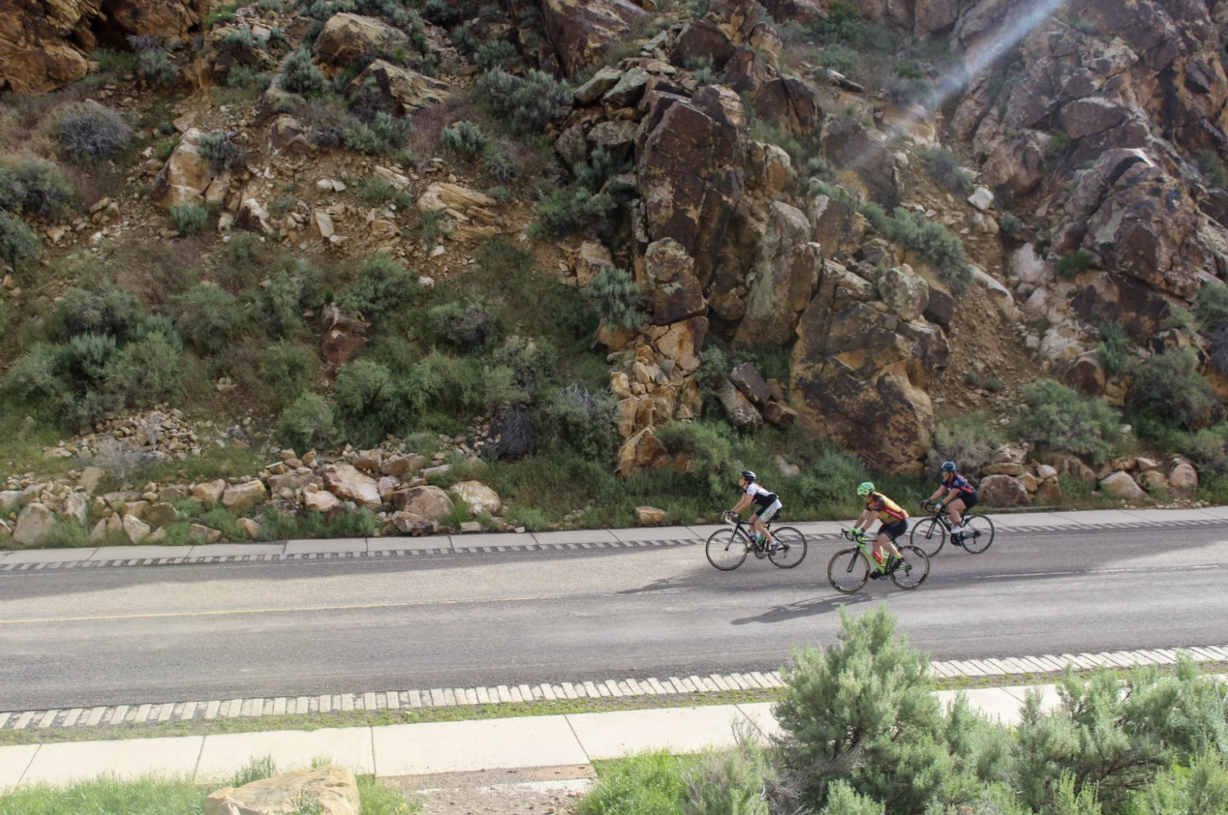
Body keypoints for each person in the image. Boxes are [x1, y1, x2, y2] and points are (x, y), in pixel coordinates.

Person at [851, 481, 908, 576]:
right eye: (863, 496)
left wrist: (862, 530)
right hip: (889, 523)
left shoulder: (879, 500)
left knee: (882, 539)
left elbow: (872, 518)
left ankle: (899, 558)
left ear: (871, 493)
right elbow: (862, 517)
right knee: (875, 541)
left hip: (900, 522)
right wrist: (853, 529)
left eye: (866, 495)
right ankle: (882, 568)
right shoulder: (870, 502)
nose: (865, 498)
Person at [728, 470, 781, 551]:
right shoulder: (747, 489)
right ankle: (757, 542)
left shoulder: (751, 488)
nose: (739, 479)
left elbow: (747, 503)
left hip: (773, 506)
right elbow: (741, 502)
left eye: (741, 478)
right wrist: (731, 511)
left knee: (758, 525)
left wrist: (734, 513)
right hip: (768, 506)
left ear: (747, 481)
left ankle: (774, 543)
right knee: (751, 521)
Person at [924, 461, 978, 539]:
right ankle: (959, 536)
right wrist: (928, 500)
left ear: (951, 473)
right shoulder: (947, 479)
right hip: (963, 497)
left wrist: (940, 504)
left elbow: (950, 496)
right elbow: (939, 491)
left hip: (971, 497)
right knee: (951, 517)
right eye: (942, 472)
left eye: (945, 472)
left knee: (951, 506)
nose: (943, 474)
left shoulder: (957, 481)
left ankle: (959, 526)